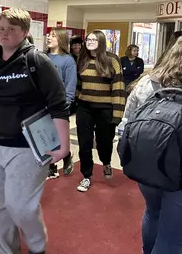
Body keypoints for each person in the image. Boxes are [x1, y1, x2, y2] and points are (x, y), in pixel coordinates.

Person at [0, 8, 70, 254]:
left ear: (25, 32)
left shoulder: (37, 62)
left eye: (11, 29)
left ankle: (36, 247)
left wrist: (64, 147)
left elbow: (58, 104)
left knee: (21, 205)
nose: (4, 33)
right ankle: (4, 249)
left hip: (27, 148)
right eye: (1, 28)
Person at [122, 36, 182, 254]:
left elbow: (127, 121)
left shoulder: (148, 81)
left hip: (147, 161)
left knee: (153, 212)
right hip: (178, 170)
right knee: (174, 236)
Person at [75, 30, 126, 192]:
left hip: (105, 109)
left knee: (104, 142)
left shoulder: (112, 60)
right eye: (88, 39)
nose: (89, 42)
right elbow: (78, 85)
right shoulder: (81, 59)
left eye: (94, 39)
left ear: (102, 42)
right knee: (84, 143)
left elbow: (118, 88)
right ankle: (86, 176)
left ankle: (106, 162)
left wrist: (117, 115)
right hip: (84, 108)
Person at [45, 28, 77, 179]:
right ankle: (51, 166)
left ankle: (66, 155)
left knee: (59, 135)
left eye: (53, 36)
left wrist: (68, 103)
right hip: (43, 103)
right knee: (46, 135)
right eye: (49, 35)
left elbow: (70, 83)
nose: (49, 38)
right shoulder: (43, 57)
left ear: (61, 40)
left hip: (59, 104)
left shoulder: (68, 60)